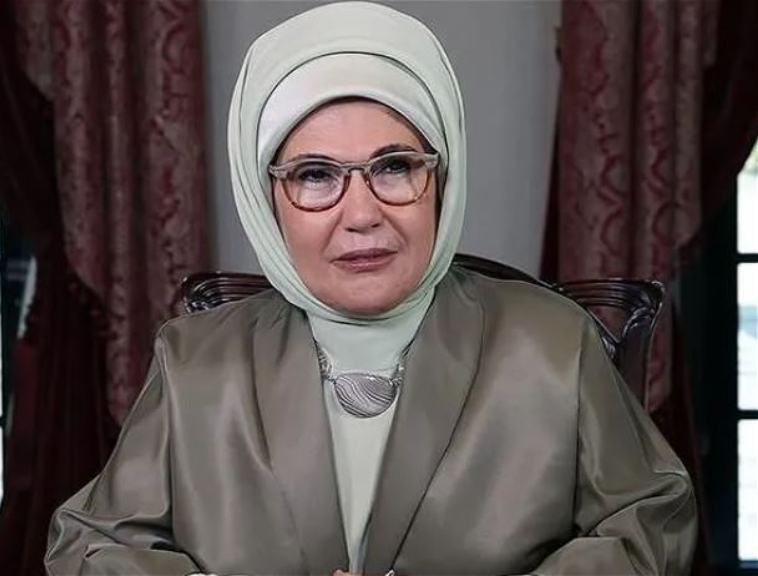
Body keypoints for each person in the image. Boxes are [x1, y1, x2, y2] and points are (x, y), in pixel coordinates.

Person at [44, 2, 697, 575]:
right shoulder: (195, 361)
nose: (361, 214)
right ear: (266, 199)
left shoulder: (551, 343)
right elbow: (88, 546)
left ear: (441, 180)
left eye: (394, 166)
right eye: (314, 175)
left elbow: (651, 525)